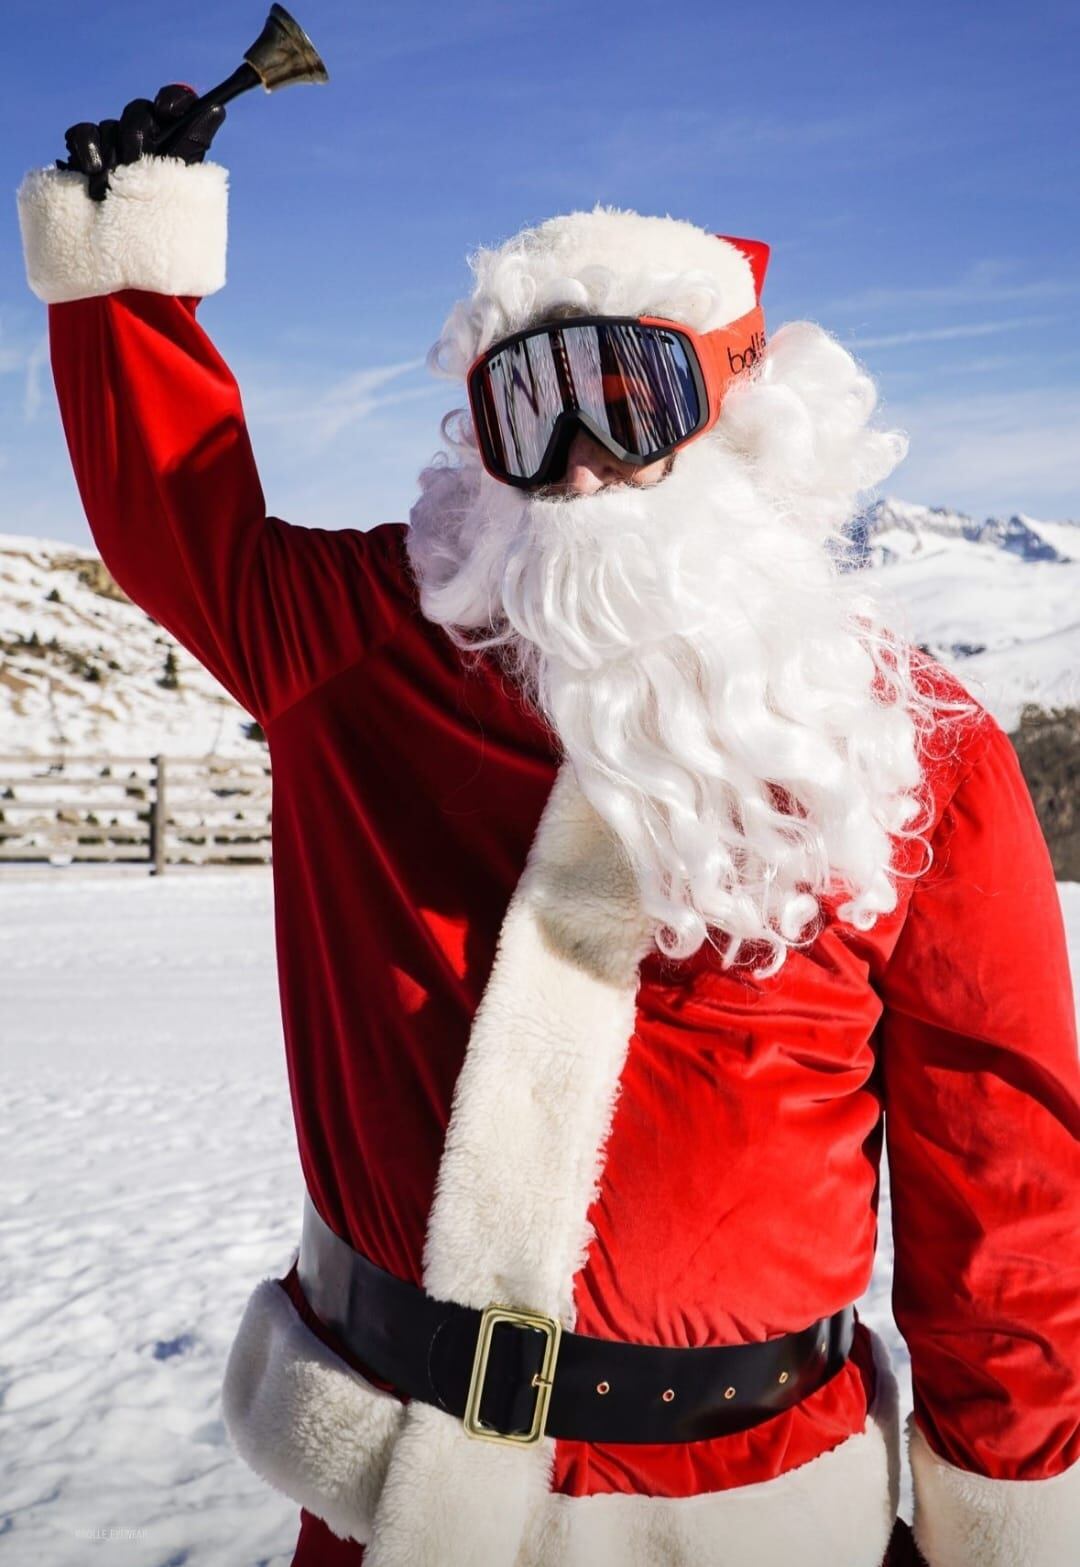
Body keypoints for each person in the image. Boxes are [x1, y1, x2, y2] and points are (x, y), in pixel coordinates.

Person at [17, 85, 1079, 1567]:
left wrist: (1010, 1528)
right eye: (531, 407)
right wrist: (129, 275)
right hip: (399, 1498)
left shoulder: (914, 747)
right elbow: (178, 524)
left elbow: (1009, 1199)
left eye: (629, 397)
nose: (578, 458)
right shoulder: (365, 652)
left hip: (754, 1513)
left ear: (742, 415)